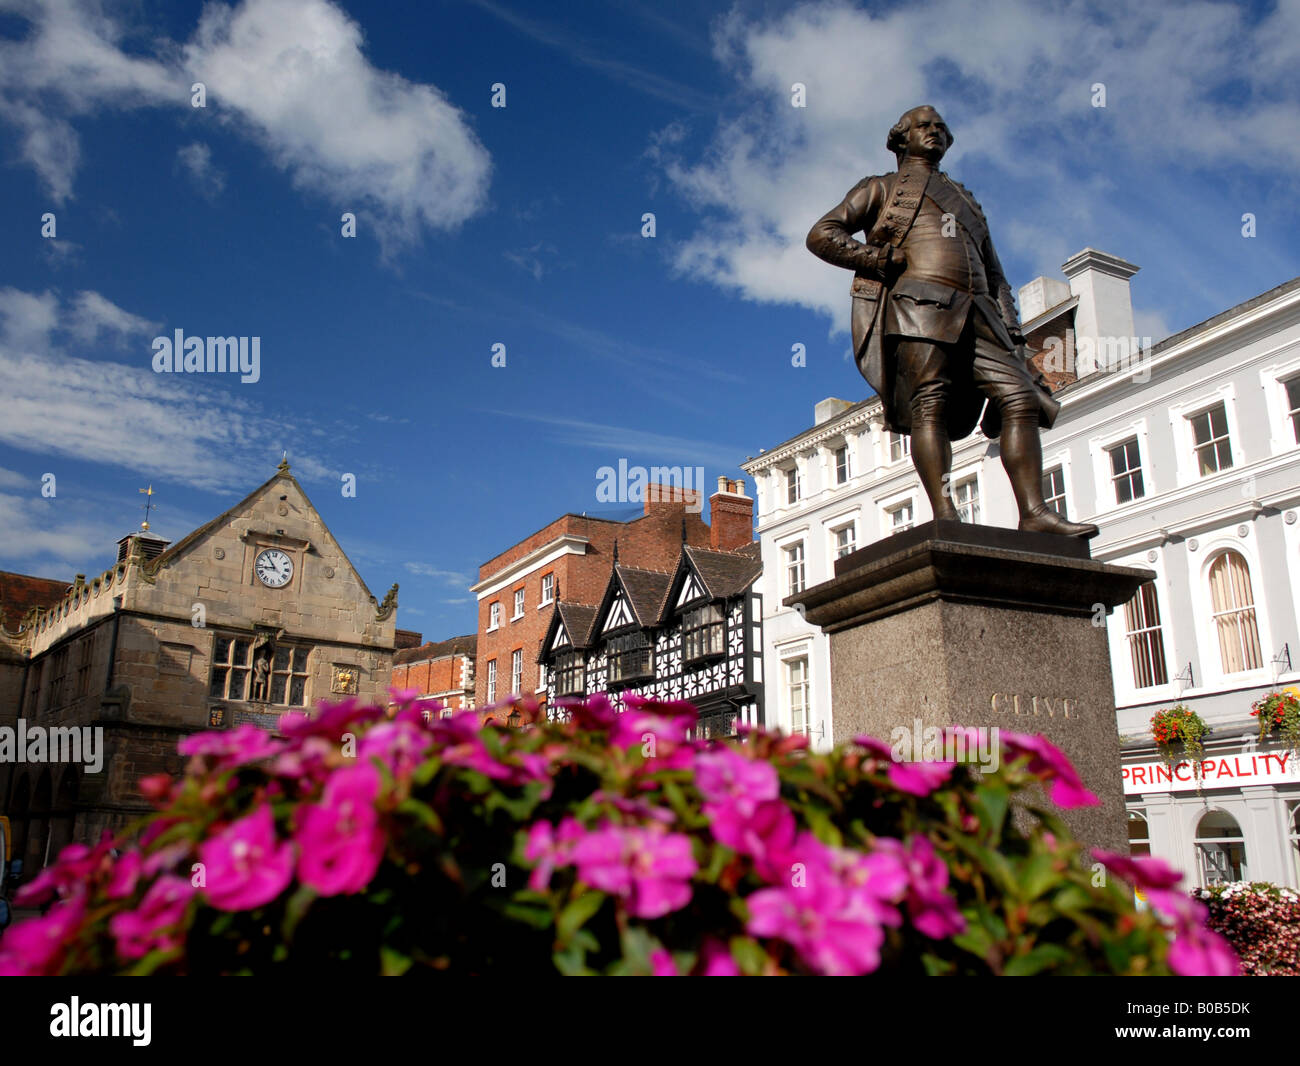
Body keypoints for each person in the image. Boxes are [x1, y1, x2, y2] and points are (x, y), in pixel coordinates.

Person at [806, 104, 1098, 538]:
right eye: (923, 126)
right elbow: (822, 234)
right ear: (900, 138)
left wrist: (1014, 333)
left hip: (980, 313)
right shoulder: (881, 189)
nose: (935, 132)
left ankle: (1033, 513)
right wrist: (879, 257)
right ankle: (945, 512)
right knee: (931, 407)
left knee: (1020, 399)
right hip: (919, 308)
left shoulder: (966, 200)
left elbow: (995, 273)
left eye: (941, 127)